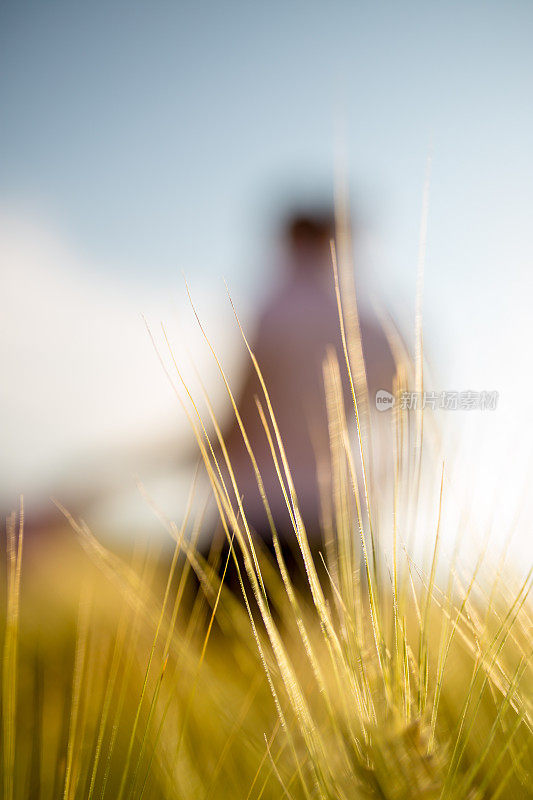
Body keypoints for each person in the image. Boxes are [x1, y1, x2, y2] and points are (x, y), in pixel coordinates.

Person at [219, 209, 395, 571]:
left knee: (209, 624)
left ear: (292, 242)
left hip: (256, 516)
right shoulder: (373, 329)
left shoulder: (276, 312)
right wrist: (365, 495)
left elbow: (238, 423)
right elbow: (407, 424)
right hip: (334, 523)